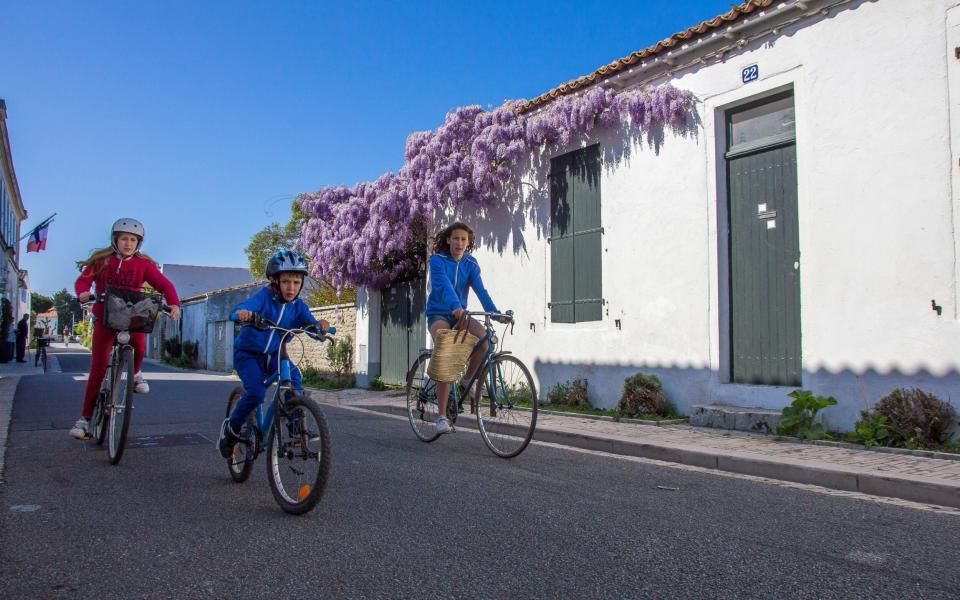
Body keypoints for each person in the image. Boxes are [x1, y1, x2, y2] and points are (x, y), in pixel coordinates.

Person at [68, 218, 181, 440]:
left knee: (139, 345)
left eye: (133, 240)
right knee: (99, 367)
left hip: (132, 317)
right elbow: (83, 281)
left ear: (138, 243)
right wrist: (82, 293)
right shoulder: (102, 261)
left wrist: (174, 303)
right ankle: (84, 419)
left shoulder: (143, 265)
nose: (128, 244)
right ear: (115, 240)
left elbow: (164, 285)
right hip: (105, 318)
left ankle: (136, 372)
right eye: (124, 239)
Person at [218, 250, 330, 458]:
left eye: (297, 282)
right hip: (249, 354)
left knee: (294, 381)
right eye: (286, 281)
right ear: (274, 281)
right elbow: (241, 309)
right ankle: (231, 430)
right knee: (256, 393)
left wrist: (320, 327)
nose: (291, 287)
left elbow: (310, 325)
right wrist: (243, 314)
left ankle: (296, 430)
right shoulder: (264, 298)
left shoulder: (298, 306)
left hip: (275, 354)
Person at [425, 221, 507, 435]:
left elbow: (481, 291)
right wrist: (456, 308)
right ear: (448, 240)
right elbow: (443, 286)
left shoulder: (471, 263)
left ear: (468, 242)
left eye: (464, 239)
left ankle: (467, 381)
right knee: (447, 349)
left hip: (461, 314)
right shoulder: (438, 261)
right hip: (440, 313)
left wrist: (496, 314)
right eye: (456, 238)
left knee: (485, 340)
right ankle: (442, 417)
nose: (460, 243)